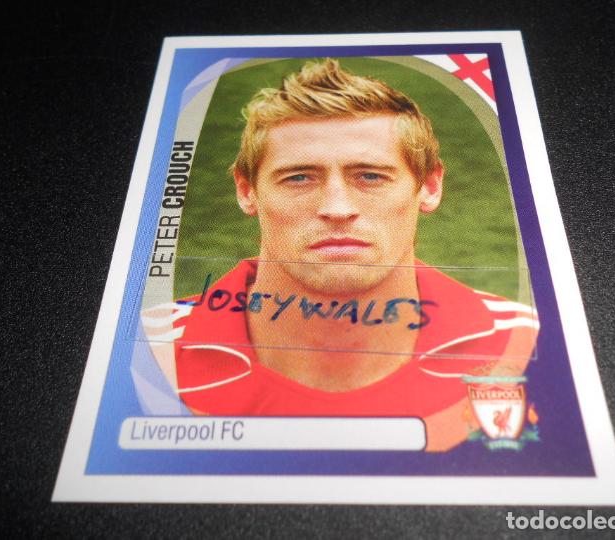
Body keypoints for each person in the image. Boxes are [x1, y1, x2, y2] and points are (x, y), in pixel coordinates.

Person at [143, 59, 539, 451]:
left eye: (370, 176)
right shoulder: (149, 348)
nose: (337, 208)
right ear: (247, 191)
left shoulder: (528, 341)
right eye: (299, 177)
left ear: (430, 186)